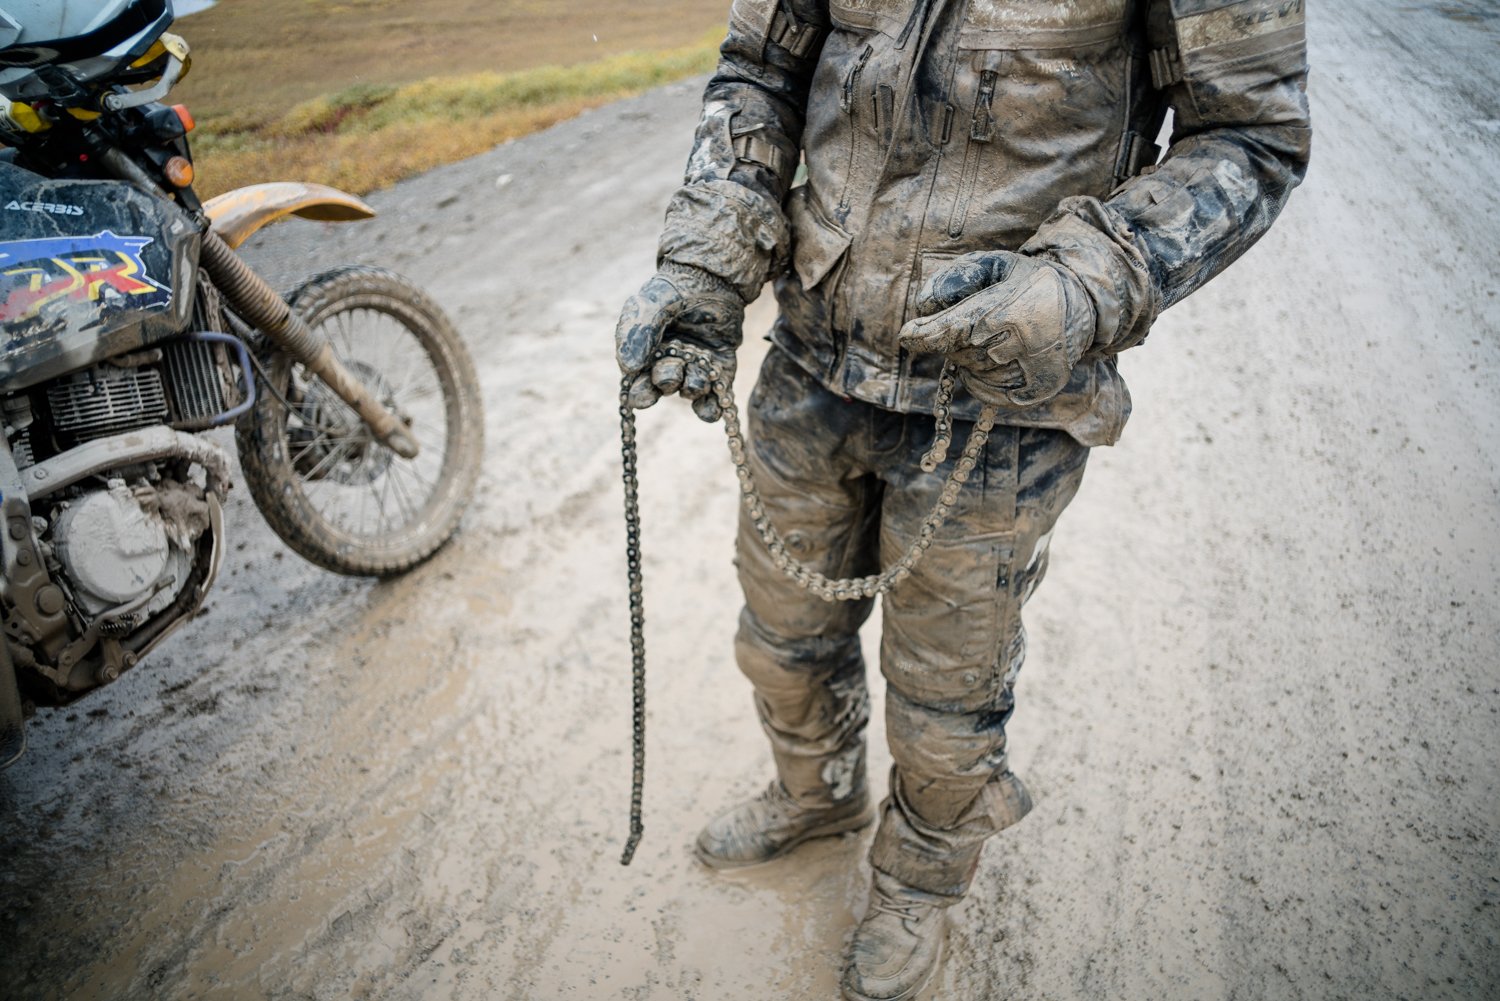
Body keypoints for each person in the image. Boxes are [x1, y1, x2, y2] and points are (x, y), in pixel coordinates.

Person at [615, 1, 1310, 997]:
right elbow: (759, 70)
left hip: (1002, 405)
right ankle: (819, 791)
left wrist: (1089, 281)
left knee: (948, 697)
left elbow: (1252, 135)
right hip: (810, 357)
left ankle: (918, 884)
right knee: (779, 634)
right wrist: (704, 260)